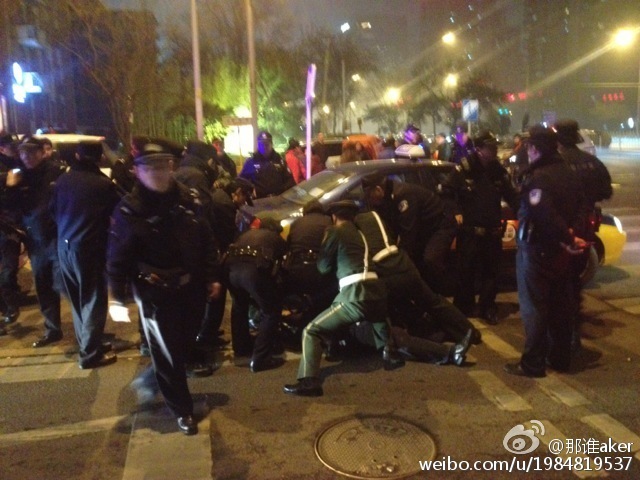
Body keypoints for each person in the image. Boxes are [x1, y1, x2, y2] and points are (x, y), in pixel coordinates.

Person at [107, 141, 222, 435]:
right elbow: (117, 257)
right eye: (151, 167)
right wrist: (116, 298)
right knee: (168, 352)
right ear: (137, 171)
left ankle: (152, 379)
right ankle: (182, 410)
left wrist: (212, 277)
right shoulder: (130, 210)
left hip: (191, 288)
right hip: (155, 293)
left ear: (172, 166)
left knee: (184, 345)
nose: (159, 172)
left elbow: (207, 240)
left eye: (164, 165)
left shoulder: (189, 200)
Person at [504, 125, 588, 378]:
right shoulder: (569, 173)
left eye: (529, 147)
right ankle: (560, 358)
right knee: (561, 306)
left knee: (535, 307)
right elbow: (583, 207)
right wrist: (572, 235)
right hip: (562, 252)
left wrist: (567, 237)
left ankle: (533, 363)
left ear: (534, 149)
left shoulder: (539, 177)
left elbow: (544, 214)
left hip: (538, 249)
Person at [283, 200, 389, 397]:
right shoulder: (360, 234)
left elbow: (323, 267)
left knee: (311, 331)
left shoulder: (334, 232)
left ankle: (309, 381)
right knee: (380, 326)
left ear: (334, 216)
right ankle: (390, 351)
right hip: (376, 292)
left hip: (354, 294)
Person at [353, 210, 476, 365]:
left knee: (396, 321)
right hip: (401, 262)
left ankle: (438, 341)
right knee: (431, 302)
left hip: (383, 273)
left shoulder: (350, 229)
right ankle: (465, 332)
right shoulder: (375, 217)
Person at [51, 142, 120, 368]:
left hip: (64, 245)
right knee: (93, 300)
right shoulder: (103, 184)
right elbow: (117, 215)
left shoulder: (63, 180)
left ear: (77, 155)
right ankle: (90, 354)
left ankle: (89, 344)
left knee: (78, 300)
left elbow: (52, 211)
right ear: (100, 158)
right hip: (89, 247)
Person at [555, 118, 613, 350]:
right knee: (574, 283)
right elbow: (606, 191)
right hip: (585, 230)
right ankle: (573, 332)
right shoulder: (593, 163)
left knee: (557, 284)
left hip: (561, 229)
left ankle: (562, 335)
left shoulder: (556, 164)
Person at [3, 136, 65, 348]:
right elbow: (9, 207)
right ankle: (52, 329)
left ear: (41, 152)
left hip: (57, 237)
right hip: (35, 240)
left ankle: (88, 333)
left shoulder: (56, 172)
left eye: (31, 152)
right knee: (43, 285)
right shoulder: (19, 175)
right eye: (23, 152)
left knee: (65, 284)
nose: (26, 156)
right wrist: (11, 187)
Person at [452, 131, 519, 324]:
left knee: (491, 273)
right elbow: (447, 193)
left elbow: (512, 196)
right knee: (466, 272)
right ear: (479, 149)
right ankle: (464, 308)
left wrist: (524, 211)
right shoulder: (465, 168)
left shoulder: (497, 170)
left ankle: (487, 307)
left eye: (495, 146)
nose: (495, 150)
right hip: (470, 232)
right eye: (491, 147)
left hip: (492, 231)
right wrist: (456, 212)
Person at [361, 173, 458, 294]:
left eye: (369, 195)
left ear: (378, 190)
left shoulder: (403, 195)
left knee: (430, 259)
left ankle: (440, 293)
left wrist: (400, 261)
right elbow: (390, 229)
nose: (369, 200)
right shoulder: (384, 199)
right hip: (423, 228)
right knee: (415, 261)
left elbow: (408, 233)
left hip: (440, 225)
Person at [196, 178, 254, 350]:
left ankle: (209, 333)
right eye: (244, 198)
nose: (243, 203)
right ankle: (206, 337)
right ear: (238, 192)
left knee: (216, 299)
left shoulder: (220, 198)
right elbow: (228, 236)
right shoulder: (225, 205)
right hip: (215, 257)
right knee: (217, 298)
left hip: (211, 254)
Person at [225, 217, 287, 372]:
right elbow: (285, 262)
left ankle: (241, 348)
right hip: (252, 274)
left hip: (230, 272)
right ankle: (261, 358)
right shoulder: (274, 237)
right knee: (271, 311)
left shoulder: (245, 234)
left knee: (239, 306)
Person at [282, 200, 338, 333]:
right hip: (319, 270)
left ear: (305, 212)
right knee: (331, 290)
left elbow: (288, 247)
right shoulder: (329, 222)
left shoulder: (296, 223)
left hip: (296, 271)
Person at [0, 134, 23, 331]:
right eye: (10, 147)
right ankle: (8, 308)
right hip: (6, 227)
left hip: (10, 229)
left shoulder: (16, 165)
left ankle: (10, 306)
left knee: (8, 270)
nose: (14, 150)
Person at [239, 131, 295, 199]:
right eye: (261, 144)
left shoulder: (280, 161)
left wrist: (284, 193)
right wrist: (251, 190)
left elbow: (290, 181)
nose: (264, 146)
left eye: (266, 144)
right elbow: (241, 180)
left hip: (278, 200)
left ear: (271, 144)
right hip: (259, 201)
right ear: (258, 145)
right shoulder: (251, 162)